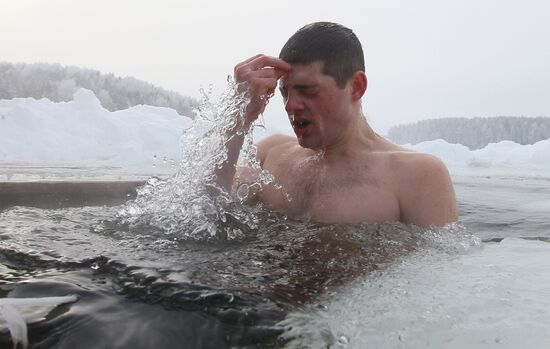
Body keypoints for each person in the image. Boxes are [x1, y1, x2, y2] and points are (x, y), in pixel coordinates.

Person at [215, 22, 457, 228]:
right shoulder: (270, 155)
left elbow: (439, 275)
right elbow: (207, 213)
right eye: (284, 92)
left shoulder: (416, 175)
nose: (290, 105)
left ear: (356, 86)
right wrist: (238, 118)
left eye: (307, 90)